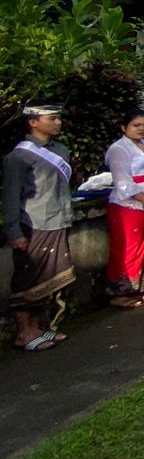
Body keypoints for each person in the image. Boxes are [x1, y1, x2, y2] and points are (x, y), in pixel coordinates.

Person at [4, 104, 76, 351]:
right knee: (28, 279)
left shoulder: (61, 150)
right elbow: (11, 196)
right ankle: (23, 332)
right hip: (33, 224)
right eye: (52, 119)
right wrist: (13, 231)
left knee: (50, 279)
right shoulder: (19, 156)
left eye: (58, 118)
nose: (58, 123)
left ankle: (39, 327)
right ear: (33, 122)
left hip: (58, 220)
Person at [104, 108, 144, 309]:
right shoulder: (119, 149)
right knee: (128, 246)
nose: (142, 129)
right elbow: (122, 180)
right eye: (136, 125)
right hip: (128, 202)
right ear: (124, 127)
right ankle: (121, 291)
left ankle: (140, 287)